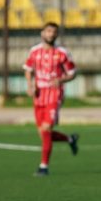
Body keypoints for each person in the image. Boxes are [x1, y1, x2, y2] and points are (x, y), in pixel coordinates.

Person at [23, 21, 79, 176]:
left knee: (47, 128)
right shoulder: (34, 51)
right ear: (42, 33)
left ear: (57, 35)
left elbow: (73, 73)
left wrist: (61, 80)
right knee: (43, 133)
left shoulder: (62, 53)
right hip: (38, 94)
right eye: (48, 31)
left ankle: (44, 166)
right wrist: (30, 84)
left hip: (55, 94)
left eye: (53, 32)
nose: (51, 34)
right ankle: (70, 139)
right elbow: (28, 69)